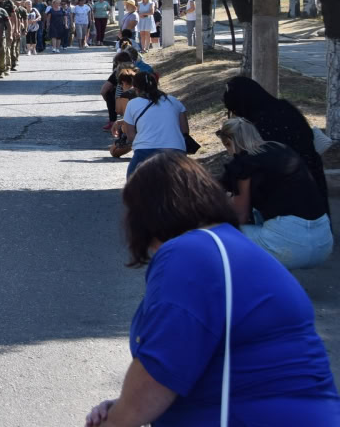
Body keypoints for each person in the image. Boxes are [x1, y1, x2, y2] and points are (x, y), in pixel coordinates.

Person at [84, 151, 340, 427]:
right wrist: (122, 406)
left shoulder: (189, 253)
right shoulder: (230, 246)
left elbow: (156, 377)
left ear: (147, 215)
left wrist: (122, 416)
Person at [217, 118, 333, 269]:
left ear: (230, 143)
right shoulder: (282, 149)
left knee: (220, 235)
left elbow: (241, 216)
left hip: (290, 246)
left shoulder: (244, 164)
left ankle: (248, 288)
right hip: (323, 241)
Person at [222, 75, 329, 215]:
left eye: (234, 111)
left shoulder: (258, 125)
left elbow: (249, 164)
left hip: (289, 191)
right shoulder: (285, 107)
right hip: (312, 173)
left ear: (241, 104)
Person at [120, 70, 187, 177]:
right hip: (176, 150)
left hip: (145, 151)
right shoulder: (175, 101)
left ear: (136, 89)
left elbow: (131, 136)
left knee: (133, 185)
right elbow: (184, 131)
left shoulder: (132, 104)